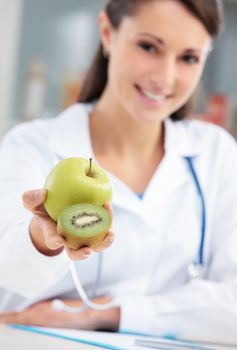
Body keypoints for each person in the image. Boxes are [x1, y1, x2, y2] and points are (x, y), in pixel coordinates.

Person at [0, 0, 237, 344]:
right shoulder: (32, 145)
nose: (165, 77)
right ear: (108, 32)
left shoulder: (216, 155)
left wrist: (106, 313)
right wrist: (41, 240)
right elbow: (7, 271)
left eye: (188, 57)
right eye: (148, 47)